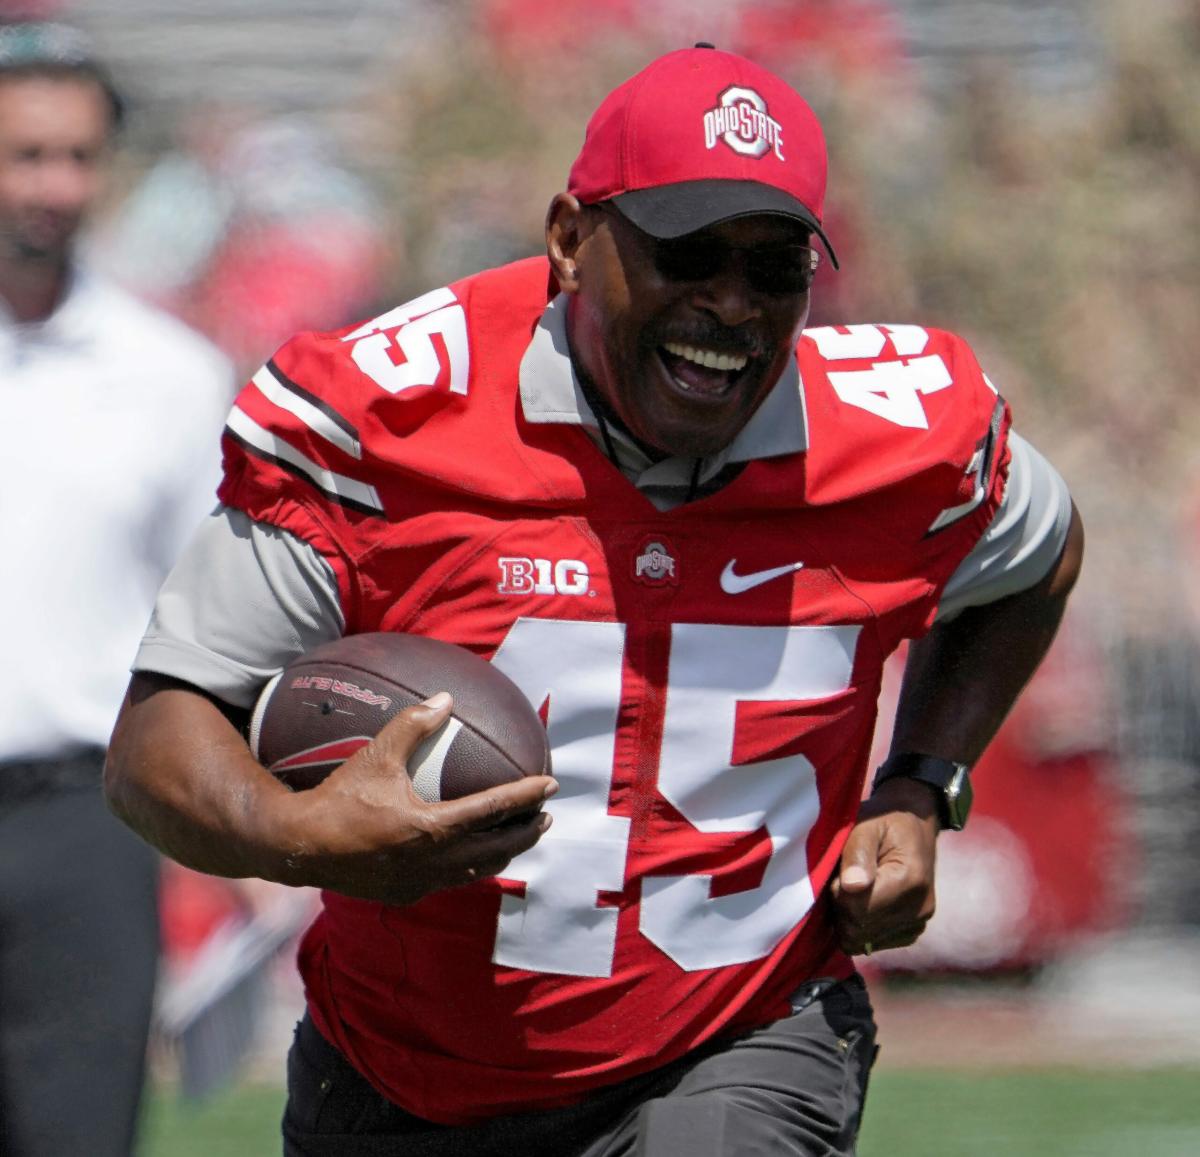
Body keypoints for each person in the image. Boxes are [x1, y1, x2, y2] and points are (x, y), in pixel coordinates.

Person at [105, 44, 1083, 1157]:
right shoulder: (389, 420)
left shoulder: (906, 438)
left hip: (742, 1032)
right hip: (404, 1068)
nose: (728, 304)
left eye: (771, 269)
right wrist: (300, 832)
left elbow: (1040, 561)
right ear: (572, 239)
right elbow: (155, 744)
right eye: (685, 254)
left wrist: (920, 780)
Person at [0, 22, 232, 1157]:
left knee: (78, 1136)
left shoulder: (171, 377)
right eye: (26, 154)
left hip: (80, 826)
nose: (55, 185)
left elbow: (213, 620)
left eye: (78, 157)